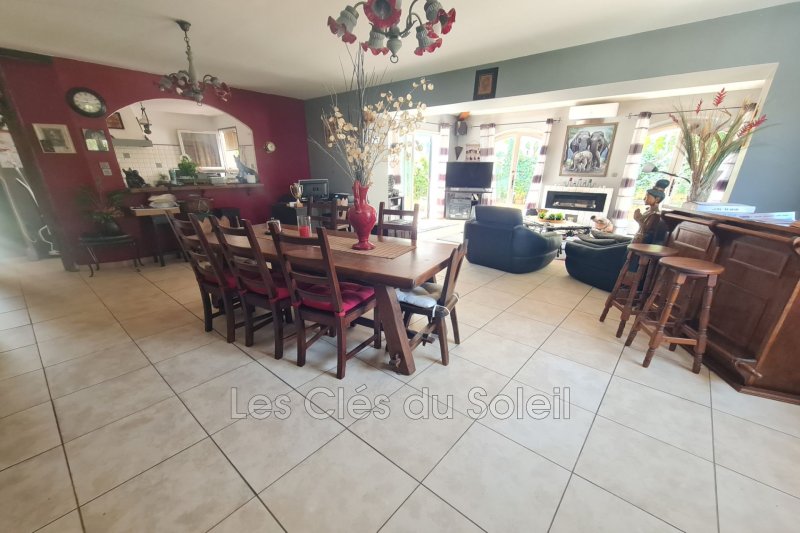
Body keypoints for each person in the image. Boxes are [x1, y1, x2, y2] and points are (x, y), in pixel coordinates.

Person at [632, 178, 671, 243]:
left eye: (647, 197)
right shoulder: (648, 211)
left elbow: (646, 231)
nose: (644, 198)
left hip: (642, 242)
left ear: (657, 199)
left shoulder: (655, 214)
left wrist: (638, 219)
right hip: (637, 238)